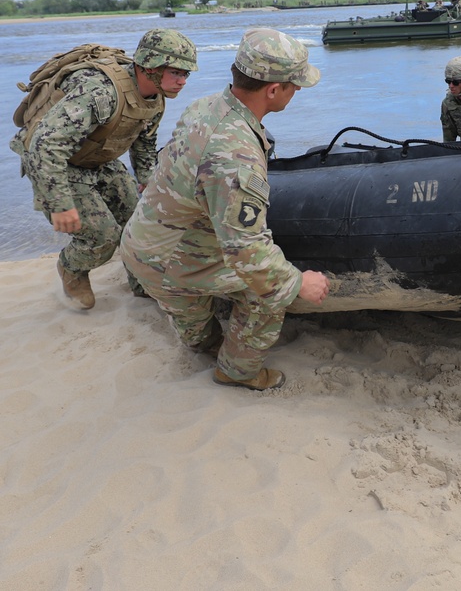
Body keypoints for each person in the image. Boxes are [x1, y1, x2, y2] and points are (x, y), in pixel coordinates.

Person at [119, 28, 330, 391]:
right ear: (274, 90)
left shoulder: (205, 106)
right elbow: (248, 253)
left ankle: (202, 340)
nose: (296, 92)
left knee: (196, 323)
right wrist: (298, 283)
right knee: (268, 293)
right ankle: (238, 372)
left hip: (141, 246)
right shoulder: (236, 157)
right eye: (294, 85)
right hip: (172, 263)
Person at [9, 28, 197, 310]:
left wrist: (148, 181)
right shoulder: (101, 94)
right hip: (58, 164)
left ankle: (142, 282)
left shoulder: (156, 97)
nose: (182, 81)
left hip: (99, 159)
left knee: (141, 225)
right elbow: (45, 146)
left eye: (186, 74)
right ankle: (71, 269)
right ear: (149, 67)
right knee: (102, 237)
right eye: (176, 72)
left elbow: (144, 142)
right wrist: (59, 203)